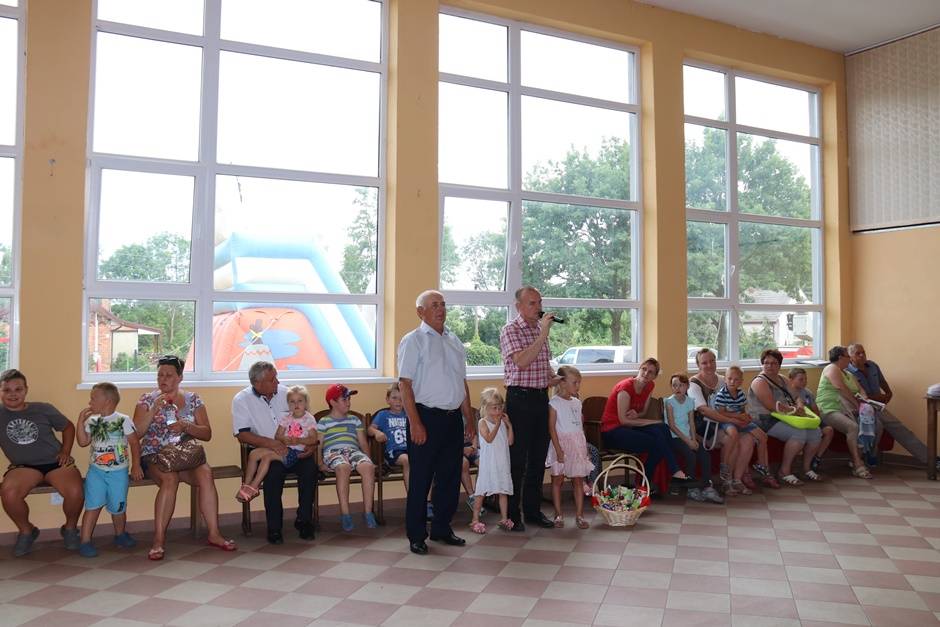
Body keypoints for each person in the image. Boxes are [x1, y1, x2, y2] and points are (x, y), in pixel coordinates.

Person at [135, 355, 235, 560]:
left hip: (185, 455)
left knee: (206, 473)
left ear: (180, 377)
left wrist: (186, 426)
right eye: (160, 375)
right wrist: (153, 410)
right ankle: (158, 540)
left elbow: (207, 433)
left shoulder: (193, 399)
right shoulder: (147, 400)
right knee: (170, 479)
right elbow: (136, 433)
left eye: (169, 375)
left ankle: (214, 534)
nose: (163, 379)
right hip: (156, 455)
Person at [398, 289, 475, 555]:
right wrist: (415, 423)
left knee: (449, 478)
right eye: (434, 305)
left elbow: (461, 383)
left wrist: (469, 418)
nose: (440, 309)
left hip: (453, 419)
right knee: (420, 479)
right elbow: (404, 384)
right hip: (425, 418)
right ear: (420, 312)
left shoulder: (454, 340)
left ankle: (442, 528)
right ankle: (416, 535)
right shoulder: (413, 340)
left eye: (442, 304)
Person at [0, 369, 84, 557]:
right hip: (24, 467)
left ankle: (70, 529)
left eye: (18, 389)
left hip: (55, 462)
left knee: (75, 491)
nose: (13, 394)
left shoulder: (43, 409)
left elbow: (68, 427)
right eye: (7, 390)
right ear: (0, 392)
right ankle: (27, 531)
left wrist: (65, 451)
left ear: (26, 390)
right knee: (9, 493)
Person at [232, 361, 318, 544]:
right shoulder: (242, 400)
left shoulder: (288, 394)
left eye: (276, 377)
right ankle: (274, 528)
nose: (277, 382)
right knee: (272, 474)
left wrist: (310, 446)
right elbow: (242, 434)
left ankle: (304, 521)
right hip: (268, 452)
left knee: (310, 470)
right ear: (257, 383)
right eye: (272, 379)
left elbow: (307, 423)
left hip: (296, 450)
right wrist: (271, 443)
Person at [499, 286, 560, 530]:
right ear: (519, 306)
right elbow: (522, 362)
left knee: (537, 457)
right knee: (518, 460)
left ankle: (533, 512)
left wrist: (554, 378)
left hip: (540, 399)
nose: (538, 307)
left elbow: (542, 365)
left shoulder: (538, 329)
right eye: (532, 303)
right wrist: (543, 334)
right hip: (519, 400)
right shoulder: (510, 330)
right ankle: (513, 515)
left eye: (539, 302)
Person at [600, 358, 694, 488]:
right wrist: (654, 421)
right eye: (644, 369)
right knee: (658, 439)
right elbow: (623, 420)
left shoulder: (650, 386)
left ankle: (652, 479)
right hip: (612, 431)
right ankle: (660, 475)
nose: (646, 373)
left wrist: (637, 415)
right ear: (639, 369)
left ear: (654, 376)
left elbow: (643, 412)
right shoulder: (625, 387)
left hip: (630, 427)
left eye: (651, 372)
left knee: (662, 429)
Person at [75, 382, 141, 557]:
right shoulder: (92, 421)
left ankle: (120, 535)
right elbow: (82, 442)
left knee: (118, 507)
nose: (90, 402)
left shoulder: (123, 420)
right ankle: (85, 541)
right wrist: (80, 422)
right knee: (92, 506)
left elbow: (134, 443)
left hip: (118, 473)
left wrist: (136, 465)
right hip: (96, 472)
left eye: (93, 398)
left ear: (108, 401)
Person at [746, 348, 823, 487]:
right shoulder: (759, 382)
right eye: (766, 363)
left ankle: (806, 468)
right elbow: (771, 406)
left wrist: (800, 406)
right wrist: (794, 410)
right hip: (765, 420)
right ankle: (784, 471)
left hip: (786, 416)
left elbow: (797, 396)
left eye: (773, 363)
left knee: (816, 432)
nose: (769, 366)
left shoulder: (782, 379)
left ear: (779, 365)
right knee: (799, 433)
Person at [847, 343, 930, 467]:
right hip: (862, 408)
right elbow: (854, 396)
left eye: (863, 352)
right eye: (857, 353)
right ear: (850, 357)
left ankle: (930, 459)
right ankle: (869, 456)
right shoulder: (847, 372)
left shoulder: (873, 365)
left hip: (878, 406)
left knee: (900, 428)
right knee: (879, 426)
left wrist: (889, 393)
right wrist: (877, 397)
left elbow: (882, 381)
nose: (862, 355)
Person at [236, 385, 317, 504]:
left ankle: (254, 487)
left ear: (306, 403)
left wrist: (299, 441)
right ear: (288, 404)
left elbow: (313, 439)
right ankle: (246, 485)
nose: (296, 404)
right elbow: (277, 436)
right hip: (285, 448)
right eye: (292, 402)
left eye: (300, 401)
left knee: (267, 458)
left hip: (296, 453)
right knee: (253, 454)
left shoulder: (308, 419)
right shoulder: (287, 418)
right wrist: (284, 439)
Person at [317, 384, 376, 531]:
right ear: (332, 402)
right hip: (333, 452)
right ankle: (345, 514)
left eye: (349, 399)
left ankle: (368, 512)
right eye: (344, 399)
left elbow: (363, 442)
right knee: (343, 467)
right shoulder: (324, 422)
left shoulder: (354, 420)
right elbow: (319, 445)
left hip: (353, 451)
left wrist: (369, 459)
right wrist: (320, 463)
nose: (348, 402)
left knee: (368, 467)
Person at [816, 346, 879, 479]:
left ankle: (859, 458)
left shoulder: (848, 374)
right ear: (840, 358)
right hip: (829, 409)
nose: (850, 359)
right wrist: (857, 404)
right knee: (853, 427)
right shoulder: (831, 368)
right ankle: (858, 464)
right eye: (847, 356)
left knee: (875, 424)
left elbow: (861, 389)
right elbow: (840, 387)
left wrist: (864, 400)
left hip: (849, 409)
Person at [713, 366, 778, 493]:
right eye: (730, 379)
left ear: (741, 381)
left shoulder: (741, 394)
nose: (732, 382)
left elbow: (742, 410)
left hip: (740, 421)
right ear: (725, 379)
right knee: (733, 434)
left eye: (736, 379)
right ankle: (725, 466)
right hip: (728, 422)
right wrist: (738, 417)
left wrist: (746, 417)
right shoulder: (721, 395)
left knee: (762, 436)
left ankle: (760, 464)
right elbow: (721, 413)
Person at [547, 366, 595, 529]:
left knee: (578, 480)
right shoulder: (554, 403)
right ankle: (558, 514)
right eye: (575, 382)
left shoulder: (577, 402)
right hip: (560, 445)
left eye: (579, 382)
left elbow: (580, 428)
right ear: (562, 383)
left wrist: (584, 449)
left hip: (577, 445)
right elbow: (552, 429)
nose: (578, 386)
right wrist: (558, 450)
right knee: (557, 480)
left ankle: (580, 515)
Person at [689, 349, 741, 495]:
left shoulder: (724, 380)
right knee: (732, 438)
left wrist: (739, 416)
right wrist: (730, 419)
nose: (709, 365)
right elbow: (704, 410)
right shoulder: (693, 384)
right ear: (698, 365)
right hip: (703, 428)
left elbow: (736, 402)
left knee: (745, 438)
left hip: (722, 424)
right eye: (704, 363)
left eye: (712, 361)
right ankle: (727, 480)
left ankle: (736, 479)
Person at [664, 373, 723, 504]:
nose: (677, 388)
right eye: (674, 385)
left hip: (689, 436)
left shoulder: (690, 401)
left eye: (681, 385)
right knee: (690, 455)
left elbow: (691, 422)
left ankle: (707, 486)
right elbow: (672, 426)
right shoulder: (669, 402)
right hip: (675, 437)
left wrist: (694, 439)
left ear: (687, 386)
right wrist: (688, 441)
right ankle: (691, 488)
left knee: (705, 455)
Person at [470, 388, 514, 534]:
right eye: (494, 408)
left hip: (502, 461)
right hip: (489, 463)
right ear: (486, 408)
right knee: (481, 491)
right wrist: (497, 424)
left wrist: (509, 425)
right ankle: (475, 519)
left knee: (503, 490)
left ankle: (504, 518)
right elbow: (489, 438)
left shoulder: (502, 422)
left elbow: (510, 442)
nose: (498, 411)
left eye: (500, 407)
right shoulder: (482, 422)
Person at [787, 367, 833, 480]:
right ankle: (799, 465)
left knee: (829, 430)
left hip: (811, 419)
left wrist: (815, 419)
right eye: (801, 379)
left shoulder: (807, 393)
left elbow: (815, 409)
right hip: (798, 421)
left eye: (805, 379)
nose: (804, 382)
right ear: (791, 379)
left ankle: (816, 458)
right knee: (806, 434)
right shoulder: (788, 393)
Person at [368, 383, 410, 490]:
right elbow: (370, 430)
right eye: (394, 398)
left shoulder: (409, 414)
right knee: (407, 460)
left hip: (411, 449)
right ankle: (412, 496)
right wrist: (377, 432)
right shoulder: (383, 415)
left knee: (427, 461)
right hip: (394, 451)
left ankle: (426, 498)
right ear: (387, 400)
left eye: (401, 398)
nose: (398, 401)